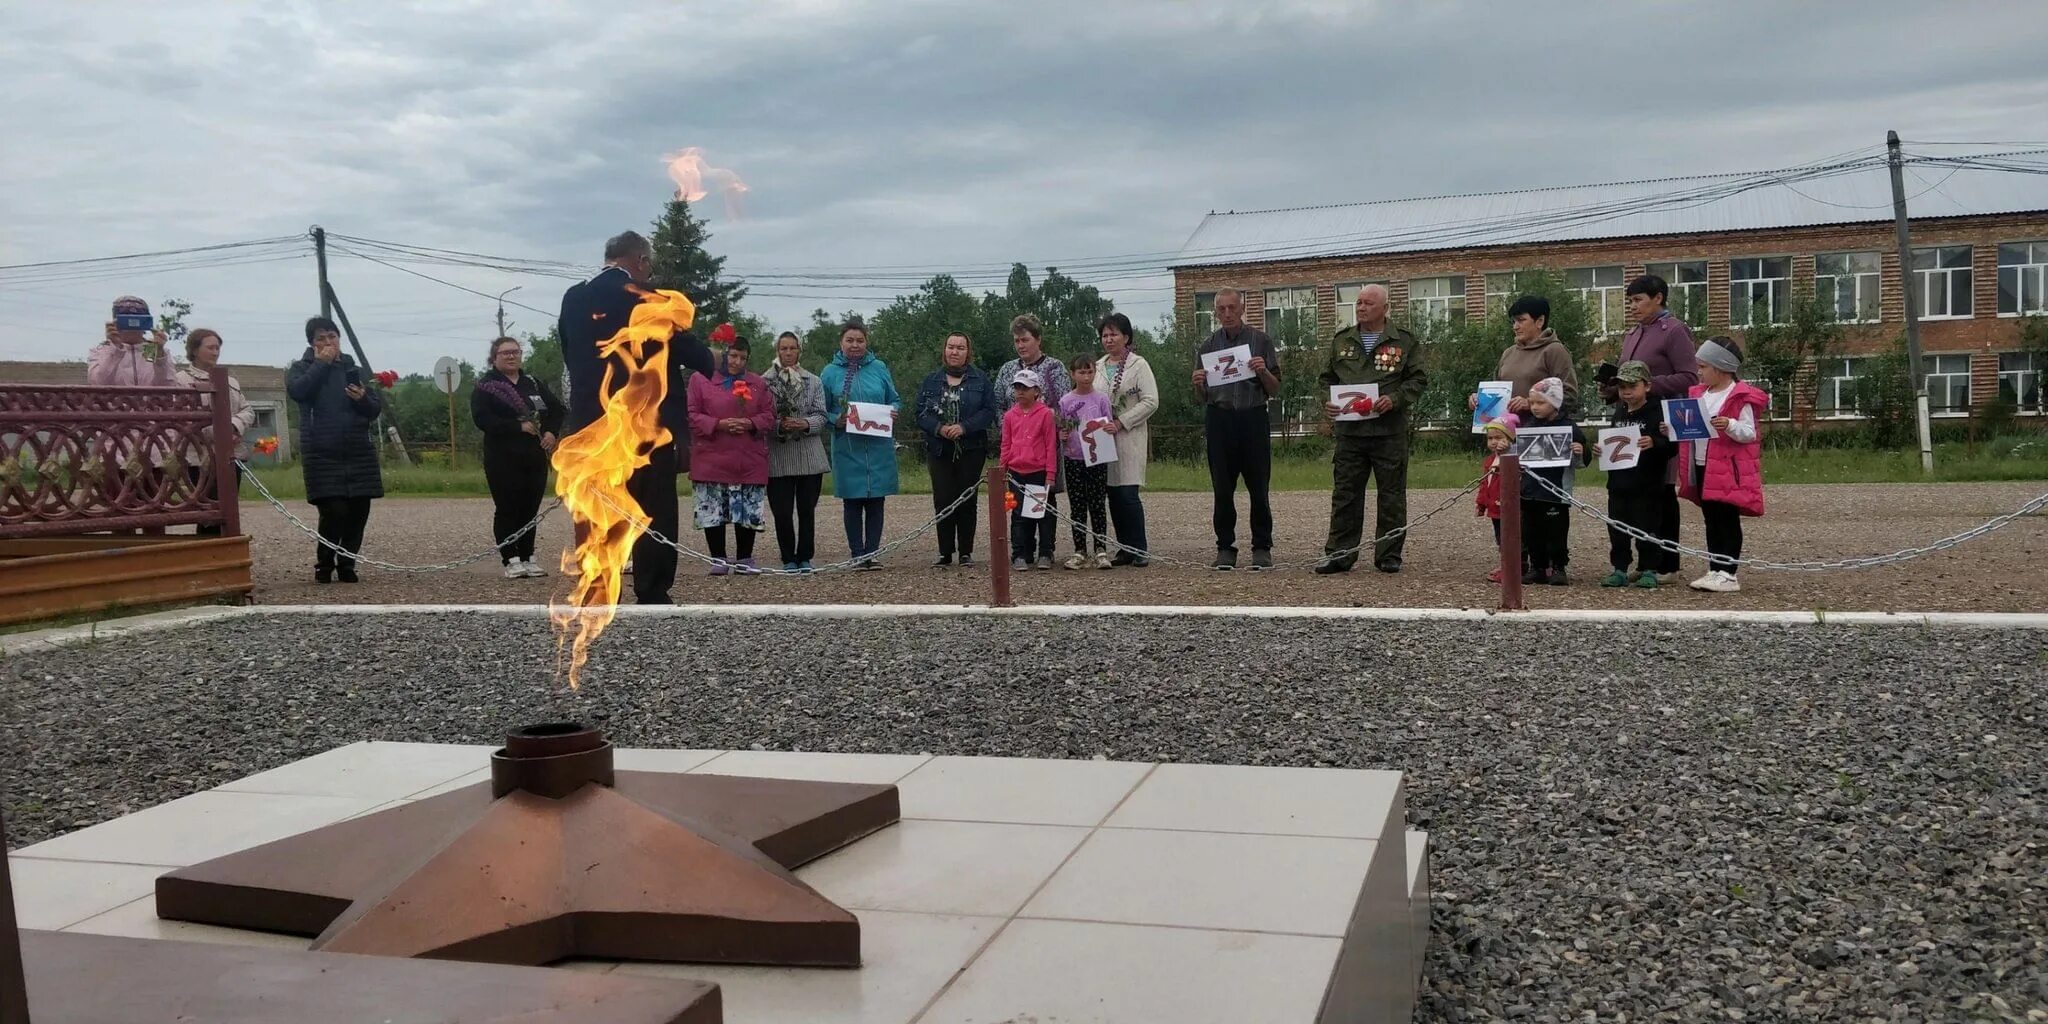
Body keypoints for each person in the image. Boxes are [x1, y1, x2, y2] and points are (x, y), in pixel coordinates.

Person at [562, 231, 715, 603]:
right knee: (653, 508)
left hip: (592, 422)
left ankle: (599, 588)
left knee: (600, 504)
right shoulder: (651, 300)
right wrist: (708, 357)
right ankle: (652, 590)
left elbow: (569, 353)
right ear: (641, 261)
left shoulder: (573, 298)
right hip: (646, 422)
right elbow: (693, 355)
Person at [1316, 284, 1426, 574]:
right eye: (1359, 302)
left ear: (1385, 309)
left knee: (1391, 495)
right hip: (1350, 434)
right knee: (1345, 495)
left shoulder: (1403, 341)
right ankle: (1341, 553)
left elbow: (1417, 379)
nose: (1361, 307)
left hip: (1388, 432)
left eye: (1369, 303)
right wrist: (1328, 402)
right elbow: (1326, 379)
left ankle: (1388, 554)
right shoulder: (1342, 341)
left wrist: (1396, 399)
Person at [1608, 275, 1700, 579]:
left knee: (1661, 490)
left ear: (1658, 298)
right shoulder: (1633, 333)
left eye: (1638, 300)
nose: (1632, 307)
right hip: (1630, 415)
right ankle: (1643, 561)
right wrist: (1614, 389)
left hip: (1661, 419)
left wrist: (1648, 386)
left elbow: (1689, 376)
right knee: (1632, 490)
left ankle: (1667, 562)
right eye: (1630, 301)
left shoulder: (1673, 330)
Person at [286, 317, 384, 584]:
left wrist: (362, 398)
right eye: (321, 338)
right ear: (312, 343)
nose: (329, 342)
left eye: (332, 336)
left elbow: (375, 409)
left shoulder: (354, 368)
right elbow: (299, 392)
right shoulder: (301, 368)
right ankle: (325, 563)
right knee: (334, 511)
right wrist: (322, 364)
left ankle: (348, 564)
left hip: (357, 450)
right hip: (321, 452)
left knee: (358, 511)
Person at [1192, 288, 1280, 569]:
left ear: (1242, 309)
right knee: (1222, 487)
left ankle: (1262, 546)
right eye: (1222, 309)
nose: (1227, 314)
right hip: (1220, 420)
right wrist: (1198, 384)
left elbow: (1275, 389)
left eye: (1232, 308)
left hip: (1253, 417)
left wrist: (1263, 370)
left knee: (1258, 487)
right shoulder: (1207, 347)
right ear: (1215, 312)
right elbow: (1202, 397)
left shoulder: (1261, 341)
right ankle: (1225, 546)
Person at [1675, 337, 1767, 594]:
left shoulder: (1740, 397)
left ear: (1721, 367)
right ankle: (1715, 568)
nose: (1699, 372)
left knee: (1726, 519)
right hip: (1703, 464)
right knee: (1711, 518)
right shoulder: (1699, 395)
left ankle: (1729, 572)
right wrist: (1673, 427)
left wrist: (1730, 425)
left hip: (1728, 469)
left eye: (1703, 366)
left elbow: (1749, 433)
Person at [472, 336, 564, 578]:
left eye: (515, 351)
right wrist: (516, 427)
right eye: (505, 353)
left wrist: (551, 432)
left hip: (533, 456)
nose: (511, 356)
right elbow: (482, 419)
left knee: (529, 508)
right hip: (503, 457)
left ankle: (527, 555)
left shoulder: (532, 383)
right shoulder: (487, 386)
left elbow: (556, 409)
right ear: (494, 357)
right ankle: (510, 558)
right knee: (508, 508)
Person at [687, 336, 777, 575]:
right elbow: (692, 414)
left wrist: (749, 423)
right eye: (733, 355)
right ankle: (718, 558)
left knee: (746, 508)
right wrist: (719, 424)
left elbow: (769, 416)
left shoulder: (757, 383)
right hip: (712, 457)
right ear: (724, 354)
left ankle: (745, 558)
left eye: (743, 358)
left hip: (747, 457)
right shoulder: (701, 379)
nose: (737, 361)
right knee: (713, 509)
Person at [820, 320, 900, 570]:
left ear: (867, 342)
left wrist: (894, 412)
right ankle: (857, 553)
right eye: (850, 340)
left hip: (877, 446)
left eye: (860, 340)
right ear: (840, 343)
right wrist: (837, 419)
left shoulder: (879, 367)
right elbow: (821, 410)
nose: (855, 345)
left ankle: (872, 553)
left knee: (876, 500)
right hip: (848, 446)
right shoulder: (829, 372)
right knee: (852, 501)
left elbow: (894, 399)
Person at [914, 331, 996, 567]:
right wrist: (939, 428)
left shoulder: (980, 380)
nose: (955, 351)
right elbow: (920, 412)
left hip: (971, 448)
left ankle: (966, 552)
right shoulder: (931, 380)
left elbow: (989, 411)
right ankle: (945, 552)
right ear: (944, 350)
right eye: (951, 347)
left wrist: (964, 427)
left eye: (960, 348)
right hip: (940, 449)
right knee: (943, 498)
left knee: (967, 499)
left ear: (968, 352)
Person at [994, 314, 1072, 561]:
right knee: (1018, 508)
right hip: (1016, 450)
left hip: (1044, 449)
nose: (1020, 345)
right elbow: (997, 403)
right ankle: (1023, 550)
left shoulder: (1055, 368)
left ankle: (1046, 551)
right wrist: (1009, 429)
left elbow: (1065, 405)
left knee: (1043, 503)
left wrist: (1052, 423)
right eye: (1016, 340)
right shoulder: (1008, 369)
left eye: (1025, 339)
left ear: (1038, 339)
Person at [1599, 361, 1677, 589]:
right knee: (1618, 529)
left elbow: (1672, 445)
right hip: (1618, 483)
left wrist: (1655, 442)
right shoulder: (1620, 412)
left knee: (1648, 527)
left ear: (1648, 386)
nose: (1626, 391)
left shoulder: (1658, 412)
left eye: (1632, 385)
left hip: (1648, 483)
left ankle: (1649, 568)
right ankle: (1620, 569)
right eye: (1622, 386)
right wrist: (1601, 450)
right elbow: (1615, 442)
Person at [173, 328, 255, 537]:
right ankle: (206, 555)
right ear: (194, 349)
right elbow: (185, 417)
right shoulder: (181, 380)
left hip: (231, 455)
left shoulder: (230, 381)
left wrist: (234, 427)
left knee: (228, 509)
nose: (215, 352)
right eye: (210, 347)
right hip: (200, 457)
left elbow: (247, 410)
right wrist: (220, 433)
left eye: (218, 347)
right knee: (207, 513)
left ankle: (225, 552)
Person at [1095, 313, 1158, 567]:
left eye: (1114, 334)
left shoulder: (1138, 365)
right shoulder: (1097, 366)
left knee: (1128, 493)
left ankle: (1139, 546)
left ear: (1126, 337)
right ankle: (1124, 548)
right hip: (1102, 439)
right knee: (1112, 494)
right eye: (1105, 335)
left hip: (1128, 436)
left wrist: (1122, 421)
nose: (1109, 340)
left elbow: (1151, 400)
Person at [763, 331, 828, 572]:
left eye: (792, 348)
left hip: (809, 456)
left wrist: (805, 424)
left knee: (806, 510)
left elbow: (822, 415)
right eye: (784, 349)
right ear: (777, 352)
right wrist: (779, 425)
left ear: (799, 351)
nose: (788, 353)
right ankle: (788, 556)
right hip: (779, 457)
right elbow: (761, 417)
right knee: (782, 511)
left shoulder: (814, 381)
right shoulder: (765, 382)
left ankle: (805, 556)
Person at [1515, 377, 1587, 586]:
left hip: (1556, 491)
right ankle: (1537, 567)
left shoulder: (1569, 427)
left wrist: (1579, 451)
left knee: (1556, 532)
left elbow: (1581, 459)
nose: (1535, 408)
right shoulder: (1529, 426)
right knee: (1531, 532)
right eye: (1532, 402)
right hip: (1530, 490)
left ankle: (1558, 567)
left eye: (1541, 402)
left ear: (1554, 403)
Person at [1468, 295, 1578, 414]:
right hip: (1507, 429)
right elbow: (1497, 393)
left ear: (1540, 321)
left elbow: (1569, 396)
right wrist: (1479, 399)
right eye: (1514, 321)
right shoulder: (1508, 353)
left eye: (1521, 320)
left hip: (1541, 430)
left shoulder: (1555, 351)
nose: (1515, 327)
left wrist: (1530, 403)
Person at [1057, 354, 1114, 569]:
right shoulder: (1066, 401)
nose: (1086, 376)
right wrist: (1061, 435)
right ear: (1073, 374)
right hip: (1073, 457)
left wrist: (1110, 428)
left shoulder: (1101, 399)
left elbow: (1108, 423)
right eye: (1082, 372)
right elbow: (1062, 427)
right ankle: (1079, 549)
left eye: (1090, 371)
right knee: (1078, 505)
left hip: (1097, 457)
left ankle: (1101, 548)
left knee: (1098, 503)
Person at [1000, 369, 1058, 570]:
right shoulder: (1009, 416)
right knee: (1017, 516)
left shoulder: (1045, 415)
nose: (1020, 392)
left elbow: (1051, 445)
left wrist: (1051, 474)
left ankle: (1045, 552)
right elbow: (1006, 444)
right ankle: (1020, 553)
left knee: (1042, 514)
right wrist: (1002, 468)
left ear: (1036, 390)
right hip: (1016, 473)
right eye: (1017, 388)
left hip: (1038, 471)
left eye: (1025, 388)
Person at [89, 296, 176, 387]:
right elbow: (98, 383)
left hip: (149, 401)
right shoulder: (102, 350)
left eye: (138, 319)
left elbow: (168, 387)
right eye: (126, 320)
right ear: (115, 322)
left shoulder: (151, 350)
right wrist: (115, 349)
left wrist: (159, 357)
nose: (132, 325)